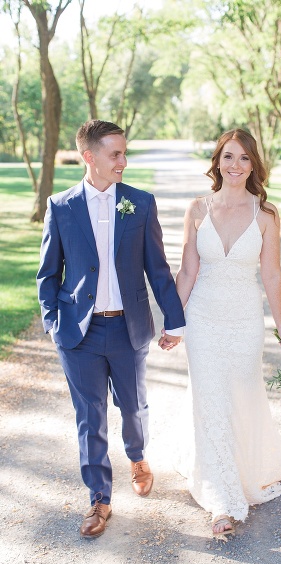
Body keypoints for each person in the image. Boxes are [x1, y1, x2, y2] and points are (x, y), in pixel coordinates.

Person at [37, 119, 185, 538]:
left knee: (134, 406)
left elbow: (157, 268)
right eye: (115, 154)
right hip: (78, 334)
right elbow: (47, 273)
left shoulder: (139, 202)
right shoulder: (61, 206)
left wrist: (174, 320)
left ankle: (138, 456)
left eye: (124, 152)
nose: (123, 161)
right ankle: (99, 500)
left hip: (127, 329)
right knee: (90, 417)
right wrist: (52, 322)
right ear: (90, 157)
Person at [174, 128, 281, 536]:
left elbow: (272, 273)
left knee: (243, 395)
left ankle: (249, 465)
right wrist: (174, 321)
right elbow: (189, 270)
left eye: (244, 158)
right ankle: (223, 501)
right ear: (217, 162)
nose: (235, 165)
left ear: (254, 165)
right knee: (210, 399)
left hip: (245, 320)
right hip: (203, 320)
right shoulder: (197, 209)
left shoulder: (266, 215)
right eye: (228, 157)